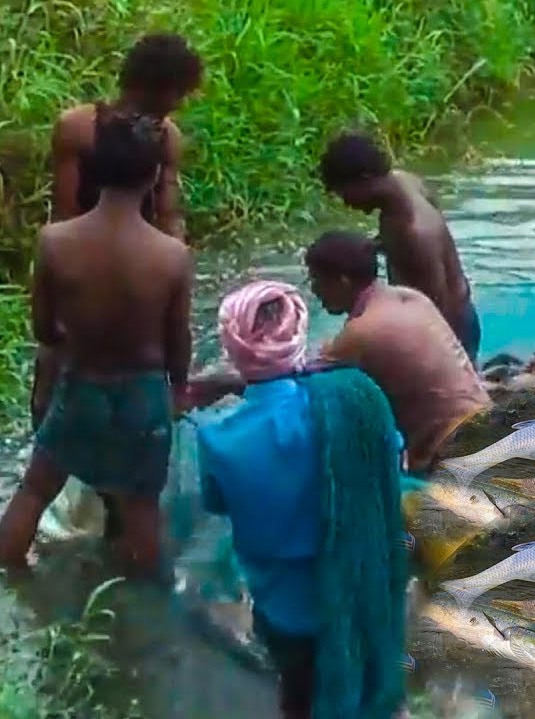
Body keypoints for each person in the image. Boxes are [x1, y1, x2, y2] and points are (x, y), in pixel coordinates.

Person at [195, 281, 409, 719]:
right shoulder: (357, 397)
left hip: (285, 611)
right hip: (365, 588)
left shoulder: (219, 439)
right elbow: (393, 456)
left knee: (298, 694)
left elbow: (216, 504)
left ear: (233, 348)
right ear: (299, 336)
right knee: (374, 689)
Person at [0, 114, 193, 576]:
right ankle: (146, 621)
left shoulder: (55, 242)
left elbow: (44, 328)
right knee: (142, 506)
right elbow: (178, 340)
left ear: (91, 171)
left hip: (83, 380)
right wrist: (179, 388)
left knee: (35, 490)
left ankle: (11, 583)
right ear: (151, 177)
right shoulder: (171, 256)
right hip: (142, 390)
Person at [305, 231, 493, 471]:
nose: (314, 291)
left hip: (452, 458)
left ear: (342, 281)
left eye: (316, 280)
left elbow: (299, 376)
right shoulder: (410, 298)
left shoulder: (361, 331)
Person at [318, 132, 482, 364]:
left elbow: (437, 316)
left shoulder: (413, 234)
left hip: (451, 326)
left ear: (365, 178)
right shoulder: (404, 181)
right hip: (461, 311)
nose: (346, 203)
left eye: (345, 193)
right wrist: (381, 244)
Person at [49, 32, 202, 237]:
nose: (179, 104)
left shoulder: (168, 137)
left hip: (140, 250)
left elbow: (168, 217)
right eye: (179, 93)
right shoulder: (79, 128)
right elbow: (66, 213)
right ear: (155, 88)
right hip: (83, 246)